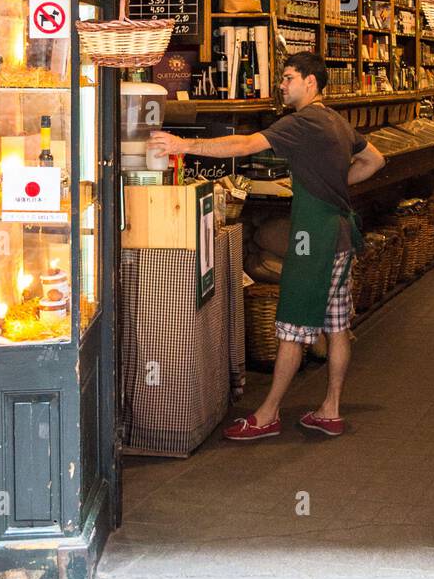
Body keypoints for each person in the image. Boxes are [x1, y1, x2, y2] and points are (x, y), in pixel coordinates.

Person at [148, 51, 385, 440]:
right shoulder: (336, 121)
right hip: (340, 232)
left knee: (291, 326)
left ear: (311, 83)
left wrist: (182, 144)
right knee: (338, 326)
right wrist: (335, 188)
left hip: (313, 239)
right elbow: (375, 161)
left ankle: (266, 415)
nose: (282, 84)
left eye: (288, 77)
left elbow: (243, 145)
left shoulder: (303, 121)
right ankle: (331, 409)